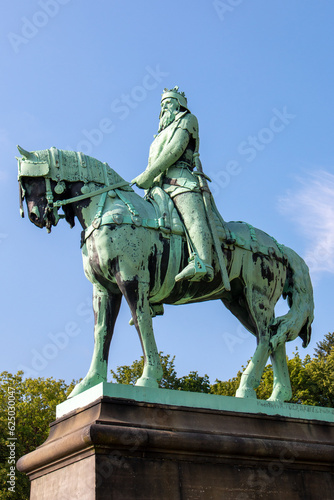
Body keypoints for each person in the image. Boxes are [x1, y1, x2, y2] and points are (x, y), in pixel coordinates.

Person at [132, 86, 214, 283]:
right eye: (162, 104)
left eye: (168, 103)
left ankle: (202, 262)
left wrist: (148, 174)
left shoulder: (187, 120)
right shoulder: (159, 135)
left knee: (192, 216)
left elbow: (175, 149)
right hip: (157, 188)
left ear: (179, 105)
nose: (164, 108)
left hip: (180, 180)